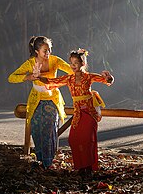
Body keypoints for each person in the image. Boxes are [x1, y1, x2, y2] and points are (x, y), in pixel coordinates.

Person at [38, 48, 114, 176]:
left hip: (90, 112)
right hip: (78, 113)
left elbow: (107, 80)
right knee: (74, 139)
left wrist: (109, 77)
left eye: (75, 63)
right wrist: (38, 77)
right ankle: (80, 166)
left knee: (87, 139)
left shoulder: (89, 77)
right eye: (71, 63)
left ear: (82, 64)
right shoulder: (69, 78)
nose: (72, 66)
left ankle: (88, 167)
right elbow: (53, 81)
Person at [8, 36, 73, 168]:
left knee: (50, 130)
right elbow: (11, 78)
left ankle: (48, 162)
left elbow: (73, 70)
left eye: (49, 49)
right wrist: (29, 77)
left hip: (52, 99)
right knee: (36, 129)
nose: (48, 52)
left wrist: (60, 81)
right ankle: (41, 160)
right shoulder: (31, 63)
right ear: (37, 51)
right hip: (36, 100)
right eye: (45, 50)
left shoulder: (55, 60)